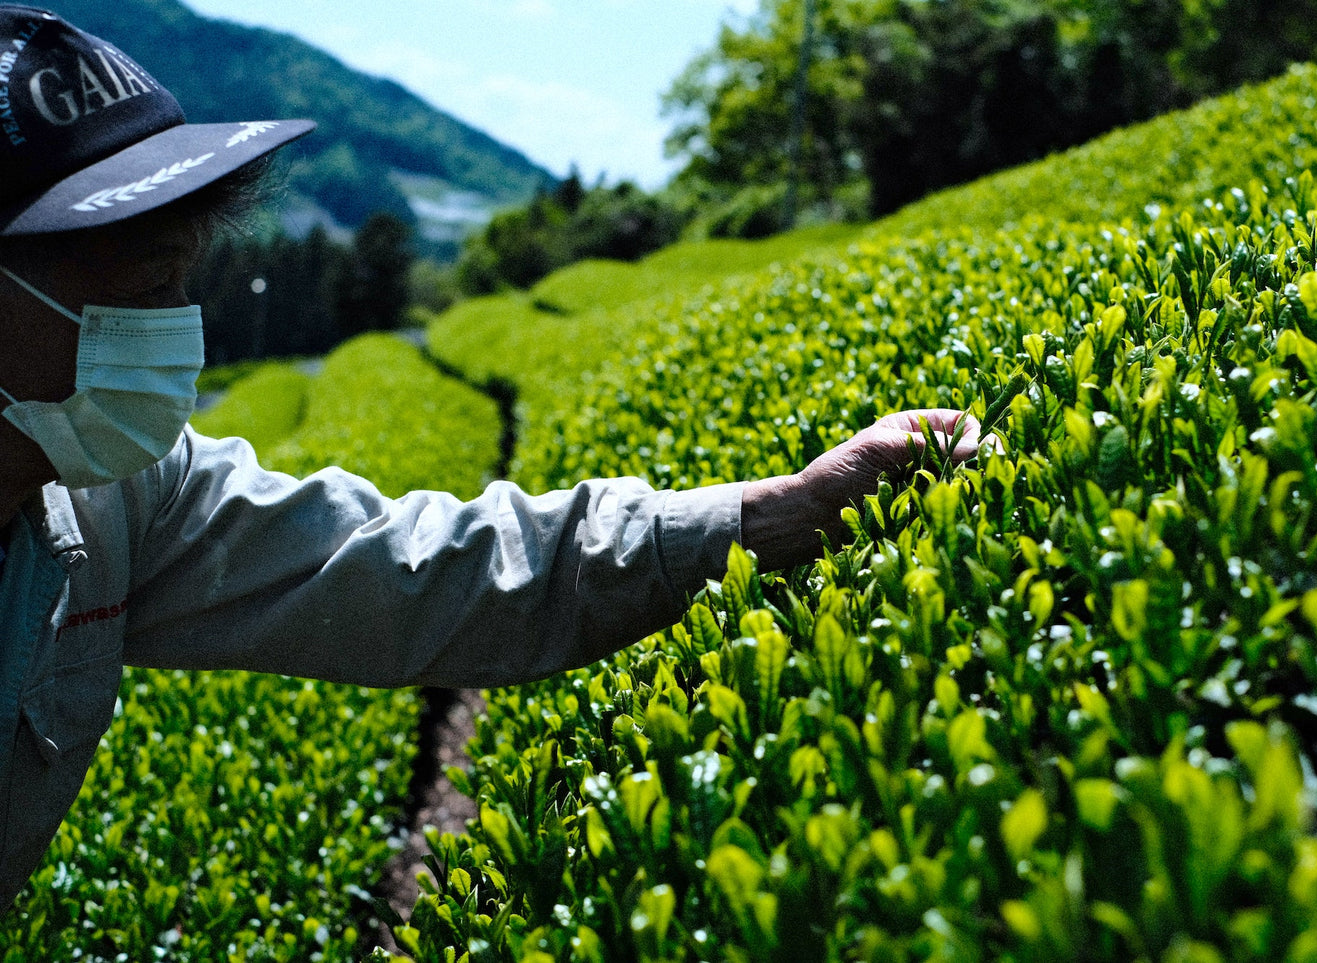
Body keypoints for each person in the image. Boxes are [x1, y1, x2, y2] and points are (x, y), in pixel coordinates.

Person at [0, 5, 981, 911]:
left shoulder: (121, 499)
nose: (173, 330)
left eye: (182, 283)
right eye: (139, 286)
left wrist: (763, 518)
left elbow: (414, 570)